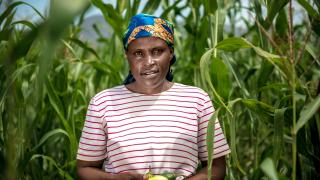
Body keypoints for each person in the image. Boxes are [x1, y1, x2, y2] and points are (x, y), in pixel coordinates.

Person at [76, 13, 231, 180]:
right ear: (127, 56)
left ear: (170, 53)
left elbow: (216, 167)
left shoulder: (197, 100)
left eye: (157, 51)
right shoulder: (103, 103)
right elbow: (85, 168)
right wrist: (115, 179)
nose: (148, 61)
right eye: (138, 53)